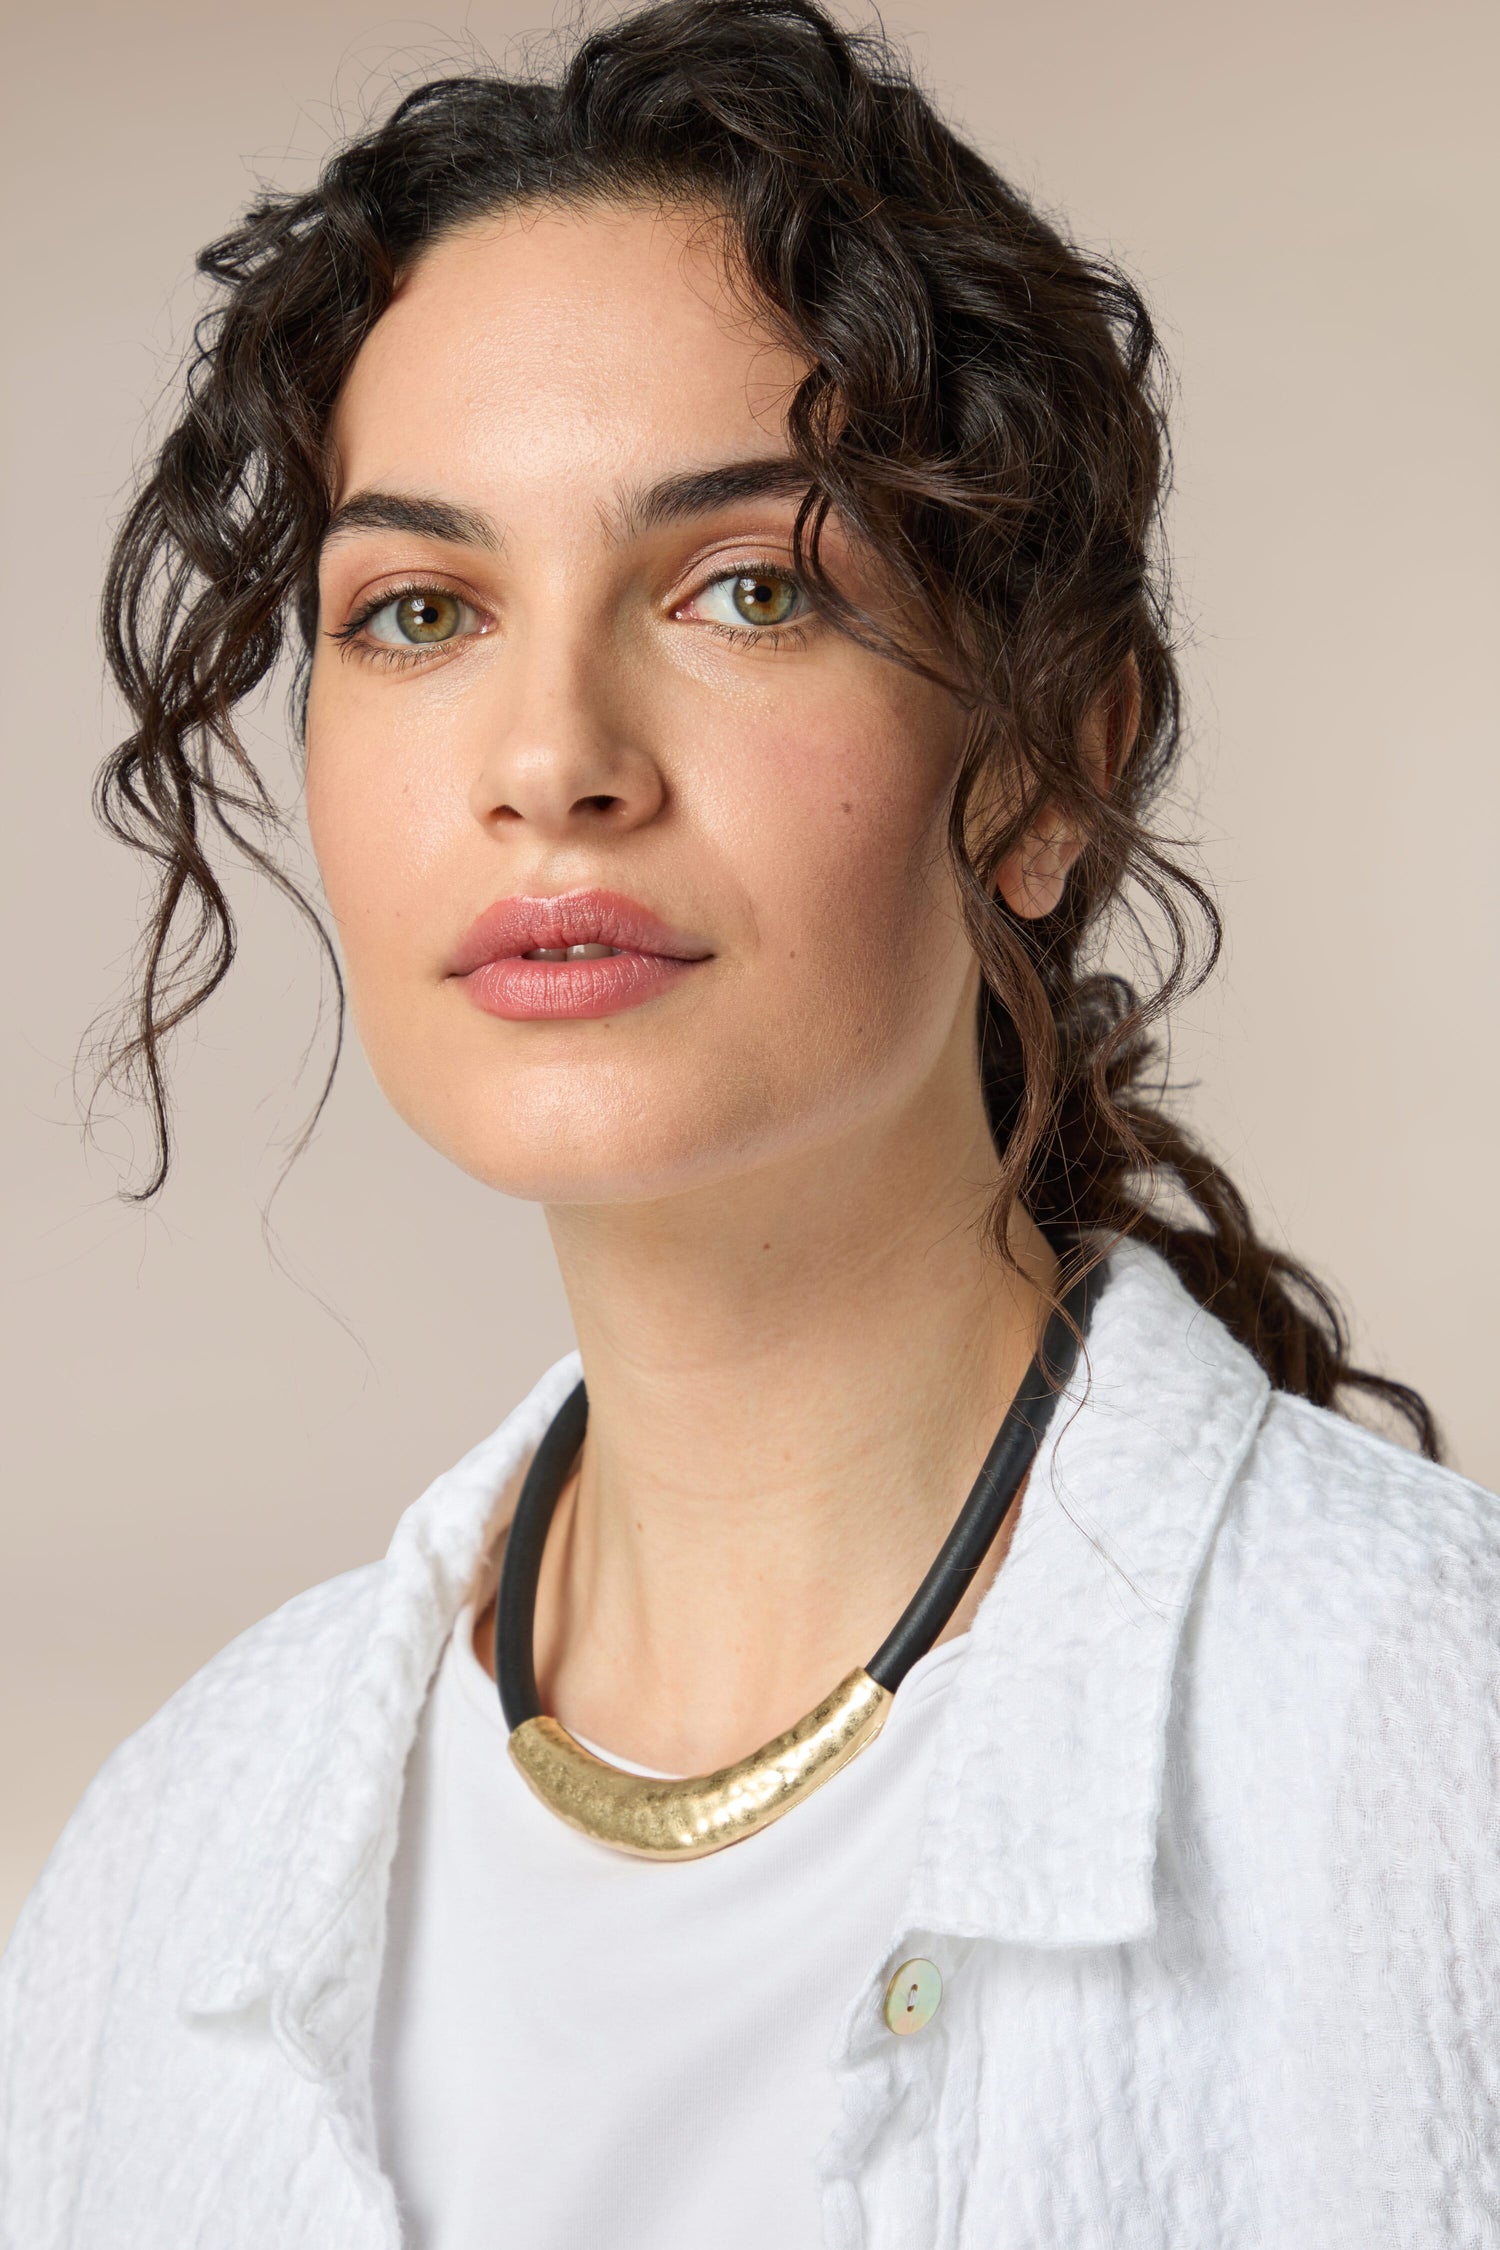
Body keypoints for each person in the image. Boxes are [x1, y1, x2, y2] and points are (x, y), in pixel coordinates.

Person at [2, 1, 1495, 2242]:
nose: (553, 756)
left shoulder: (1437, 1767)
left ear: (1045, 769)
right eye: (422, 609)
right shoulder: (165, 1870)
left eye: (745, 588)